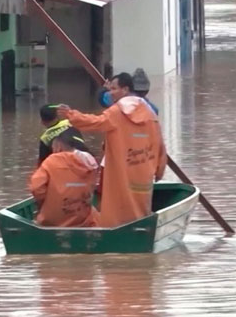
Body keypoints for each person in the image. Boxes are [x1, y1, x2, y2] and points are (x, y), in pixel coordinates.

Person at [57, 72, 167, 228]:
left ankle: (115, 235)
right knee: (140, 209)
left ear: (125, 89)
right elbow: (160, 145)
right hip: (143, 173)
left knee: (117, 209)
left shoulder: (116, 113)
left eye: (114, 89)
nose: (110, 92)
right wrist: (159, 170)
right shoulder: (151, 114)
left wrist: (71, 115)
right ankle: (142, 233)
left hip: (121, 173)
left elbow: (94, 122)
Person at [29, 133, 100, 227]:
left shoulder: (51, 161)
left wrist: (47, 201)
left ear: (58, 146)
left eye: (53, 148)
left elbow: (36, 188)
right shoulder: (89, 160)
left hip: (53, 222)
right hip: (83, 221)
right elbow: (92, 187)